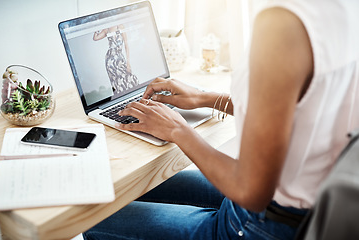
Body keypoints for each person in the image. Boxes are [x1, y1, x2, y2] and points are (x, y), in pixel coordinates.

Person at [84, 0, 359, 239]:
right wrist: (205, 98)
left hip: (262, 223)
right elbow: (304, 106)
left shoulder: (282, 24)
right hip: (300, 205)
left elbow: (251, 191)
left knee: (95, 219)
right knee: (133, 188)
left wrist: (178, 129)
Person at [93, 24, 139, 94]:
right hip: (110, 60)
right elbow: (95, 38)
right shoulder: (107, 29)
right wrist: (96, 29)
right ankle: (122, 97)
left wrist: (128, 62)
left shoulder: (120, 27)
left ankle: (131, 95)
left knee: (127, 76)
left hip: (119, 58)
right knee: (115, 81)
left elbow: (126, 45)